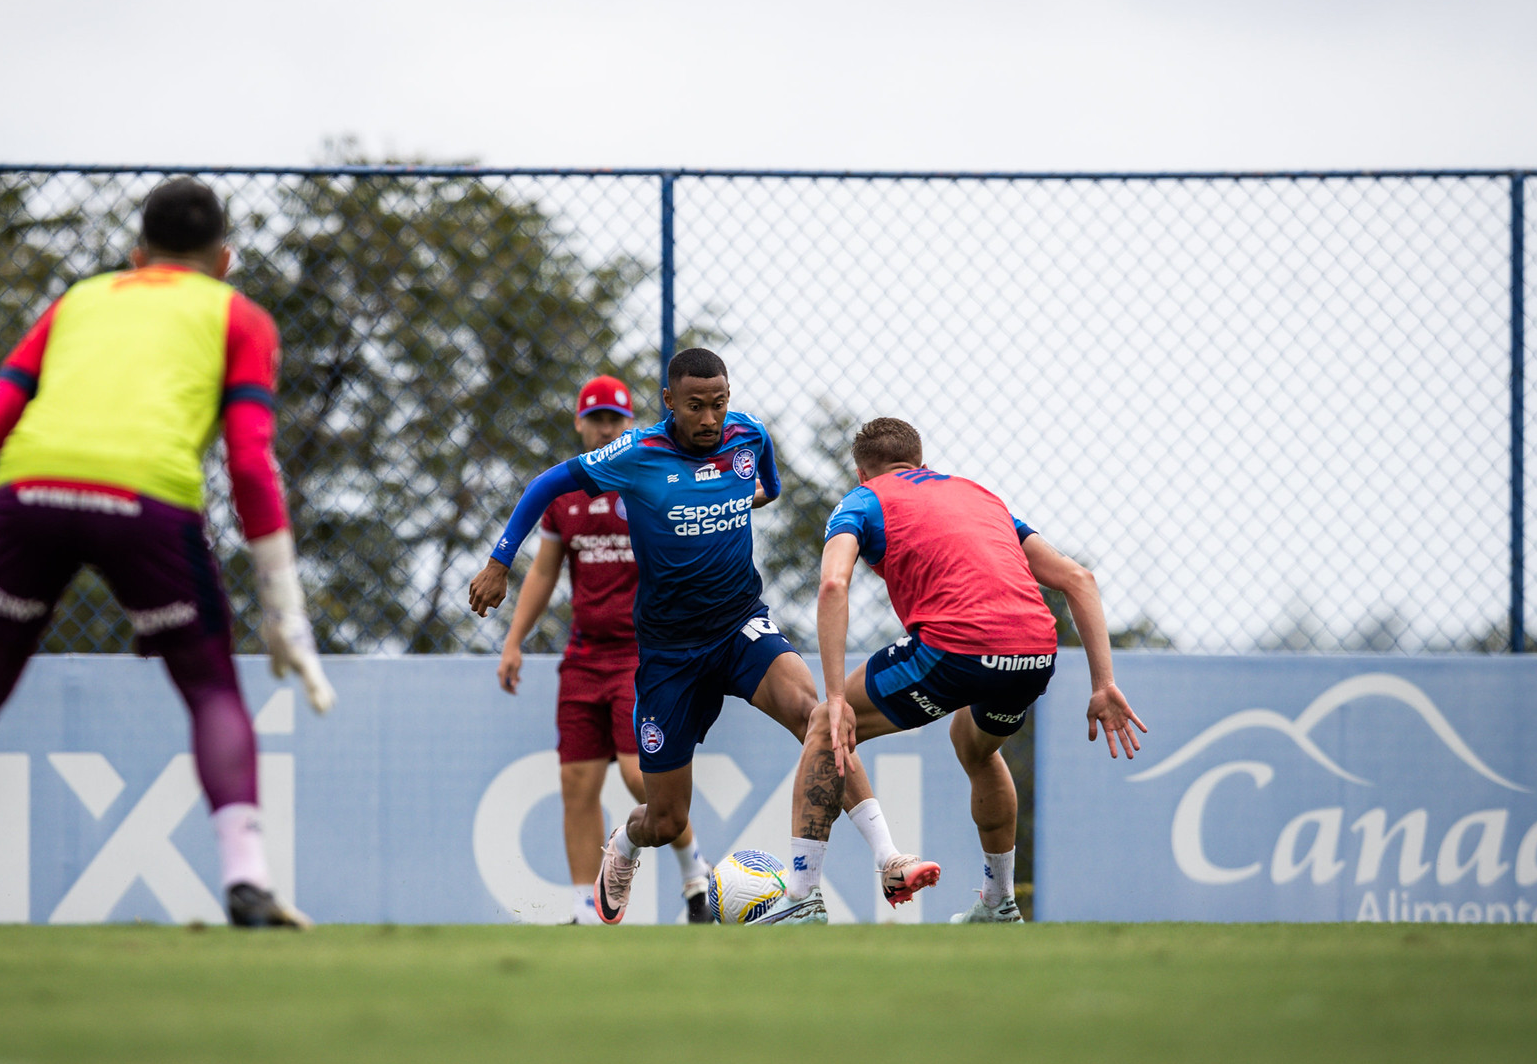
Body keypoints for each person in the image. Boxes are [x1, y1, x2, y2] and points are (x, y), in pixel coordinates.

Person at [0, 177, 335, 929]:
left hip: (30, 493)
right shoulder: (240, 316)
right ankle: (246, 878)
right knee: (212, 688)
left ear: (134, 252)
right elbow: (251, 465)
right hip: (147, 500)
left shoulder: (80, 299)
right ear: (225, 259)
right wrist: (285, 612)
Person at [469, 349, 933, 925]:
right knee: (663, 819)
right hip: (668, 653)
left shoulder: (748, 436)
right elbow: (547, 484)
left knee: (816, 715)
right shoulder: (636, 453)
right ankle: (625, 846)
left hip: (740, 624)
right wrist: (498, 562)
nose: (710, 418)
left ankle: (888, 857)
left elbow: (769, 485)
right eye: (695, 406)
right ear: (668, 403)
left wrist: (740, 500)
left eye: (718, 403)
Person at [794, 417, 1146, 924]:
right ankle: (999, 902)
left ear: (860, 472)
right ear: (921, 461)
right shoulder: (979, 496)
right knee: (974, 744)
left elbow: (833, 586)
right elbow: (1078, 578)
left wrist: (835, 698)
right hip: (1032, 654)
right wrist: (1104, 684)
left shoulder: (864, 500)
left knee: (825, 728)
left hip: (954, 650)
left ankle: (802, 900)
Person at [496, 376, 713, 924]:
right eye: (596, 419)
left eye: (615, 419)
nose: (605, 429)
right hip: (583, 658)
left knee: (640, 776)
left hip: (641, 657)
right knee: (576, 782)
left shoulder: (644, 478)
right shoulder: (565, 495)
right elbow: (544, 572)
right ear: (579, 423)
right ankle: (584, 905)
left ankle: (695, 876)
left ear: (630, 422)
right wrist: (514, 640)